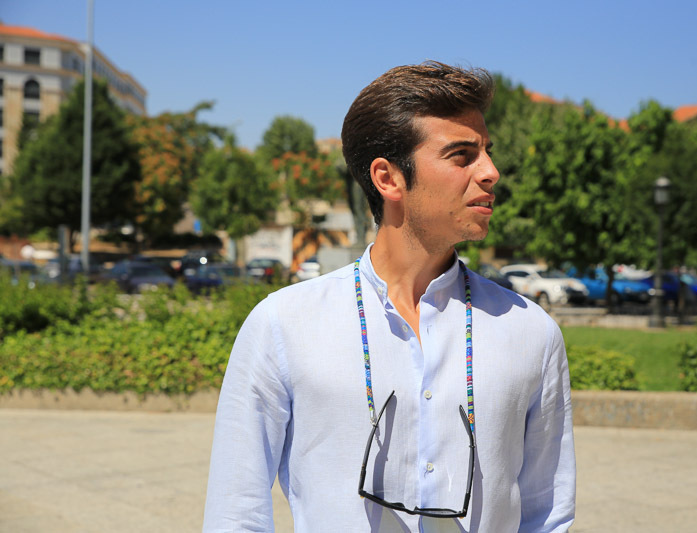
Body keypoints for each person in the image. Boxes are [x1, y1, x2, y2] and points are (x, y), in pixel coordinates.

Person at [203, 61, 575, 532]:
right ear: (388, 178)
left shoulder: (530, 332)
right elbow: (236, 514)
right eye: (462, 155)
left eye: (487, 152)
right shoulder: (283, 325)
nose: (491, 172)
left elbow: (547, 515)